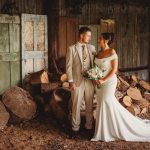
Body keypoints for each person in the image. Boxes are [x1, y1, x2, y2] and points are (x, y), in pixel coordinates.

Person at [91, 32, 150, 142]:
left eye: (100, 38)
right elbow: (96, 69)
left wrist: (103, 79)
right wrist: (95, 79)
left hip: (109, 82)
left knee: (106, 101)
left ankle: (117, 129)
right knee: (101, 104)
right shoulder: (98, 53)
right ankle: (103, 130)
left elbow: (114, 70)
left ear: (106, 40)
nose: (98, 39)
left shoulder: (112, 51)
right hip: (99, 82)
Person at [66, 26, 96, 139]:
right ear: (81, 35)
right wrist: (70, 81)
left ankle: (89, 128)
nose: (89, 38)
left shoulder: (92, 48)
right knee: (76, 105)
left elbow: (95, 64)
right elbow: (68, 67)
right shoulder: (72, 48)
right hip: (77, 82)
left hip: (89, 82)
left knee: (89, 105)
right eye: (88, 36)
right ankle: (75, 129)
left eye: (90, 36)